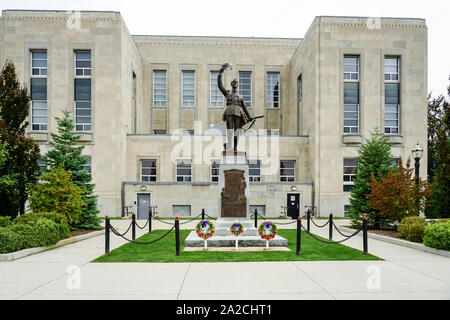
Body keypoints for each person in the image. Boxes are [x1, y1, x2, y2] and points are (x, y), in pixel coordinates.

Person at [218, 62, 252, 152]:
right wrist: (221, 72)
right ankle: (229, 147)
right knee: (229, 131)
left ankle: (235, 148)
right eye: (233, 82)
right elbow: (220, 85)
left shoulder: (240, 96)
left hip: (238, 114)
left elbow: (245, 107)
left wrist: (249, 116)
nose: (235, 83)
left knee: (237, 131)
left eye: (236, 82)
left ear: (237, 84)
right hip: (229, 112)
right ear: (231, 84)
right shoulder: (227, 93)